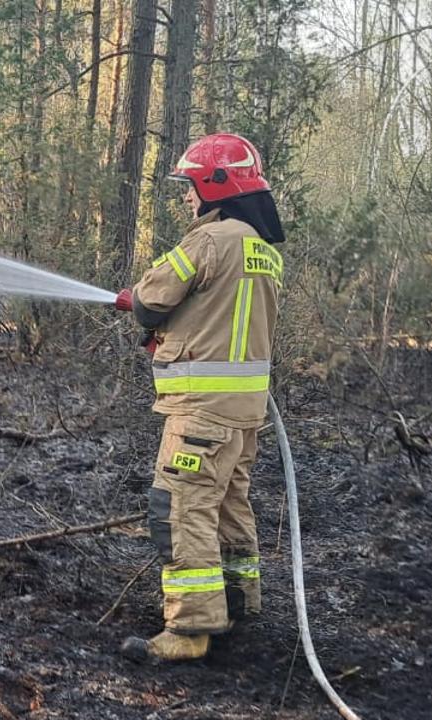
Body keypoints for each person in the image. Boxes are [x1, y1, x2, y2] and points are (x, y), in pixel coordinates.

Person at [110, 132, 286, 663]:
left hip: (202, 413)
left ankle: (189, 630)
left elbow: (151, 297)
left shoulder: (209, 241)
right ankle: (235, 602)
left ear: (215, 183)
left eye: (189, 186)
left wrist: (138, 306)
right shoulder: (260, 249)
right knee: (228, 504)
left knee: (180, 506)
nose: (187, 197)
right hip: (243, 416)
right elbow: (219, 317)